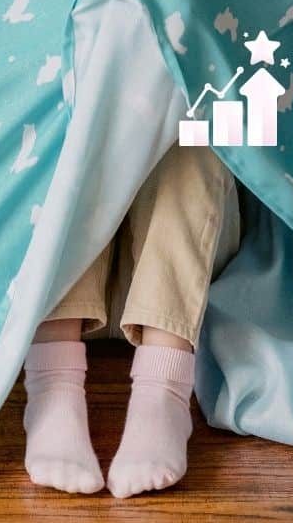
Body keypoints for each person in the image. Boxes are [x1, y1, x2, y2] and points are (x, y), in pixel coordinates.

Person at [22, 143, 239, 497]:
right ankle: (52, 384)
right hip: (59, 299)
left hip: (186, 286)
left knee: (199, 119)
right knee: (65, 107)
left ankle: (163, 389)